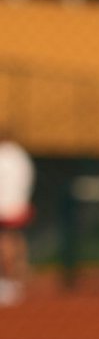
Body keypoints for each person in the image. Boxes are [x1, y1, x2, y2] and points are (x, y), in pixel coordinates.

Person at [0, 130, 35, 304]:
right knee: (16, 239)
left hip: (5, 207)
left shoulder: (4, 156)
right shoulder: (20, 155)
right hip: (20, 204)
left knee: (5, 242)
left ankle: (7, 283)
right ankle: (19, 277)